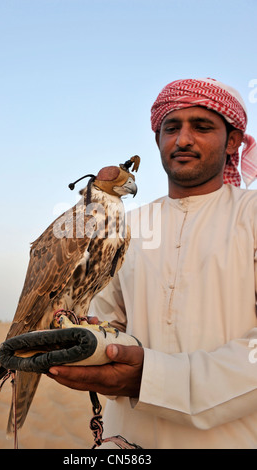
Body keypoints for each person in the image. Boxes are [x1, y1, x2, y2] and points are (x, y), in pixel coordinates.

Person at [47, 78, 257, 449]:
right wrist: (83, 347)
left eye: (202, 126)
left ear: (234, 141)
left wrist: (150, 377)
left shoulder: (251, 215)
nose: (183, 140)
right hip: (127, 441)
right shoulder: (124, 226)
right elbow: (105, 321)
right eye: (171, 128)